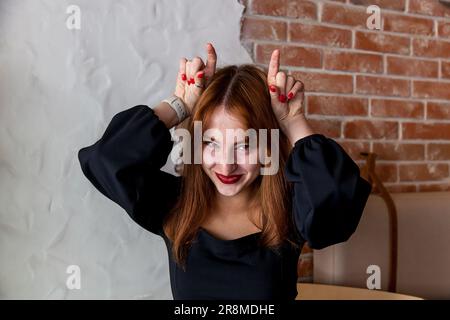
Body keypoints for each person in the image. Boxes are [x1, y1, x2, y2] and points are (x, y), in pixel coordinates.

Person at [78, 43, 372, 300]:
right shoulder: (175, 205)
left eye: (245, 145)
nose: (226, 164)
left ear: (268, 146)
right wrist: (179, 105)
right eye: (210, 143)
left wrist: (293, 122)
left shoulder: (293, 207)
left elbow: (336, 201)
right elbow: (106, 159)